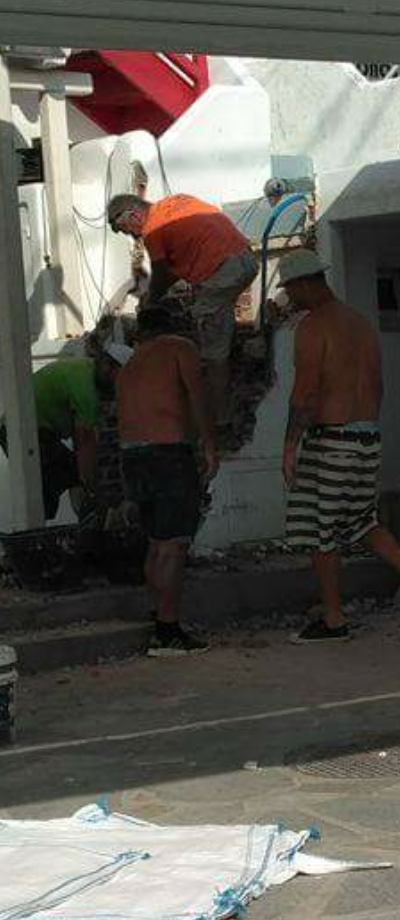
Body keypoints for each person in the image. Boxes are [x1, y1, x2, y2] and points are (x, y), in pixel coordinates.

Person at [279, 249, 400, 642]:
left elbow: (305, 392)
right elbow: (377, 385)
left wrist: (290, 446)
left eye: (290, 289)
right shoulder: (361, 323)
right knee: (362, 520)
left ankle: (334, 619)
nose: (288, 297)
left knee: (320, 529)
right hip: (366, 437)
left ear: (304, 283)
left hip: (331, 439)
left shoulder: (313, 327)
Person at [107, 193, 258, 436]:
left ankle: (221, 422)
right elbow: (176, 266)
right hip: (245, 258)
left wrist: (150, 300)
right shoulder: (177, 202)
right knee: (217, 325)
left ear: (133, 215)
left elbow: (161, 273)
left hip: (222, 270)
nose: (133, 237)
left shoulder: (153, 229)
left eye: (127, 230)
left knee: (212, 353)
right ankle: (233, 362)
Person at [116, 304, 217, 657]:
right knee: (174, 544)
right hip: (168, 454)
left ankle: (158, 614)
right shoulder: (179, 348)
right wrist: (210, 445)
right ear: (171, 326)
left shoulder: (128, 366)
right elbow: (198, 397)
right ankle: (168, 632)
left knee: (156, 542)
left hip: (132, 457)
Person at [0, 344, 132, 522]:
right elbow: (84, 443)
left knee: (54, 486)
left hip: (21, 429)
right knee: (69, 475)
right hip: (23, 431)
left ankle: (82, 521)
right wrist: (93, 486)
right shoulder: (86, 388)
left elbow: (82, 441)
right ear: (110, 367)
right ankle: (89, 521)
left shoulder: (85, 370)